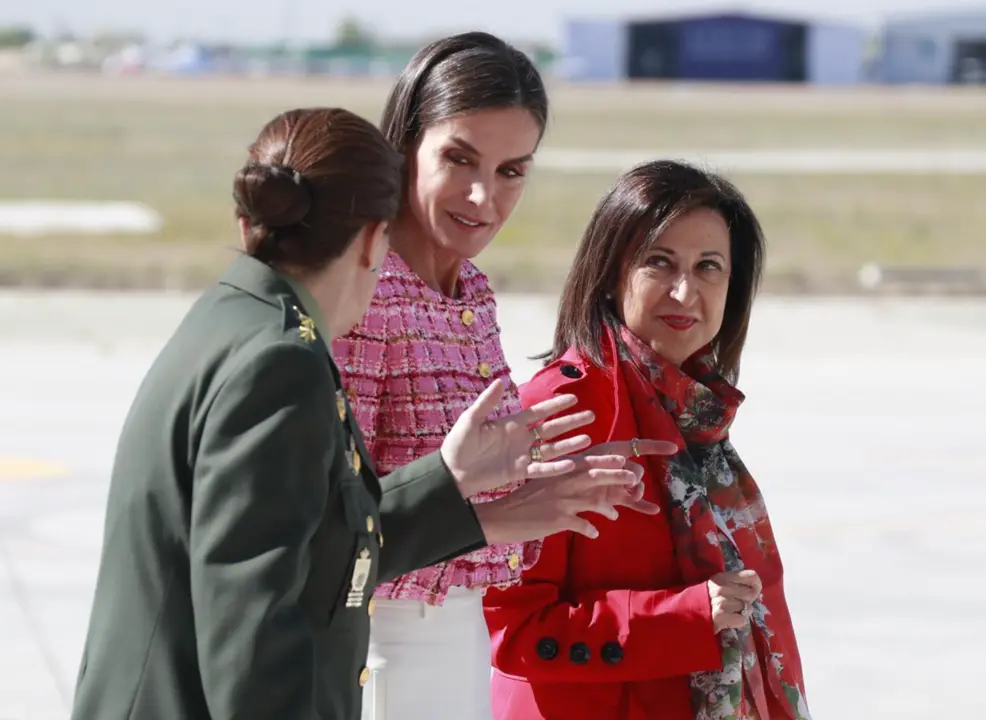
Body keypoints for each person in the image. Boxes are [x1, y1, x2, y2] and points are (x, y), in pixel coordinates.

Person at [68, 108, 675, 720]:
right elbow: (254, 634)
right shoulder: (279, 363)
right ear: (369, 240)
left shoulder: (236, 317)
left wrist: (454, 489)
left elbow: (309, 543)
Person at [483, 160, 812, 720]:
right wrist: (684, 615)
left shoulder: (699, 419)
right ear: (611, 272)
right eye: (660, 262)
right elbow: (515, 631)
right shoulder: (559, 414)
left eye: (710, 267)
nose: (686, 291)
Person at [331, 32, 560, 720]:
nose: (483, 195)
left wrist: (554, 480)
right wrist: (495, 515)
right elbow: (338, 521)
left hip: (462, 636)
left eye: (512, 170)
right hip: (386, 644)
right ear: (404, 146)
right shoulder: (364, 294)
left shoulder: (474, 291)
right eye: (459, 158)